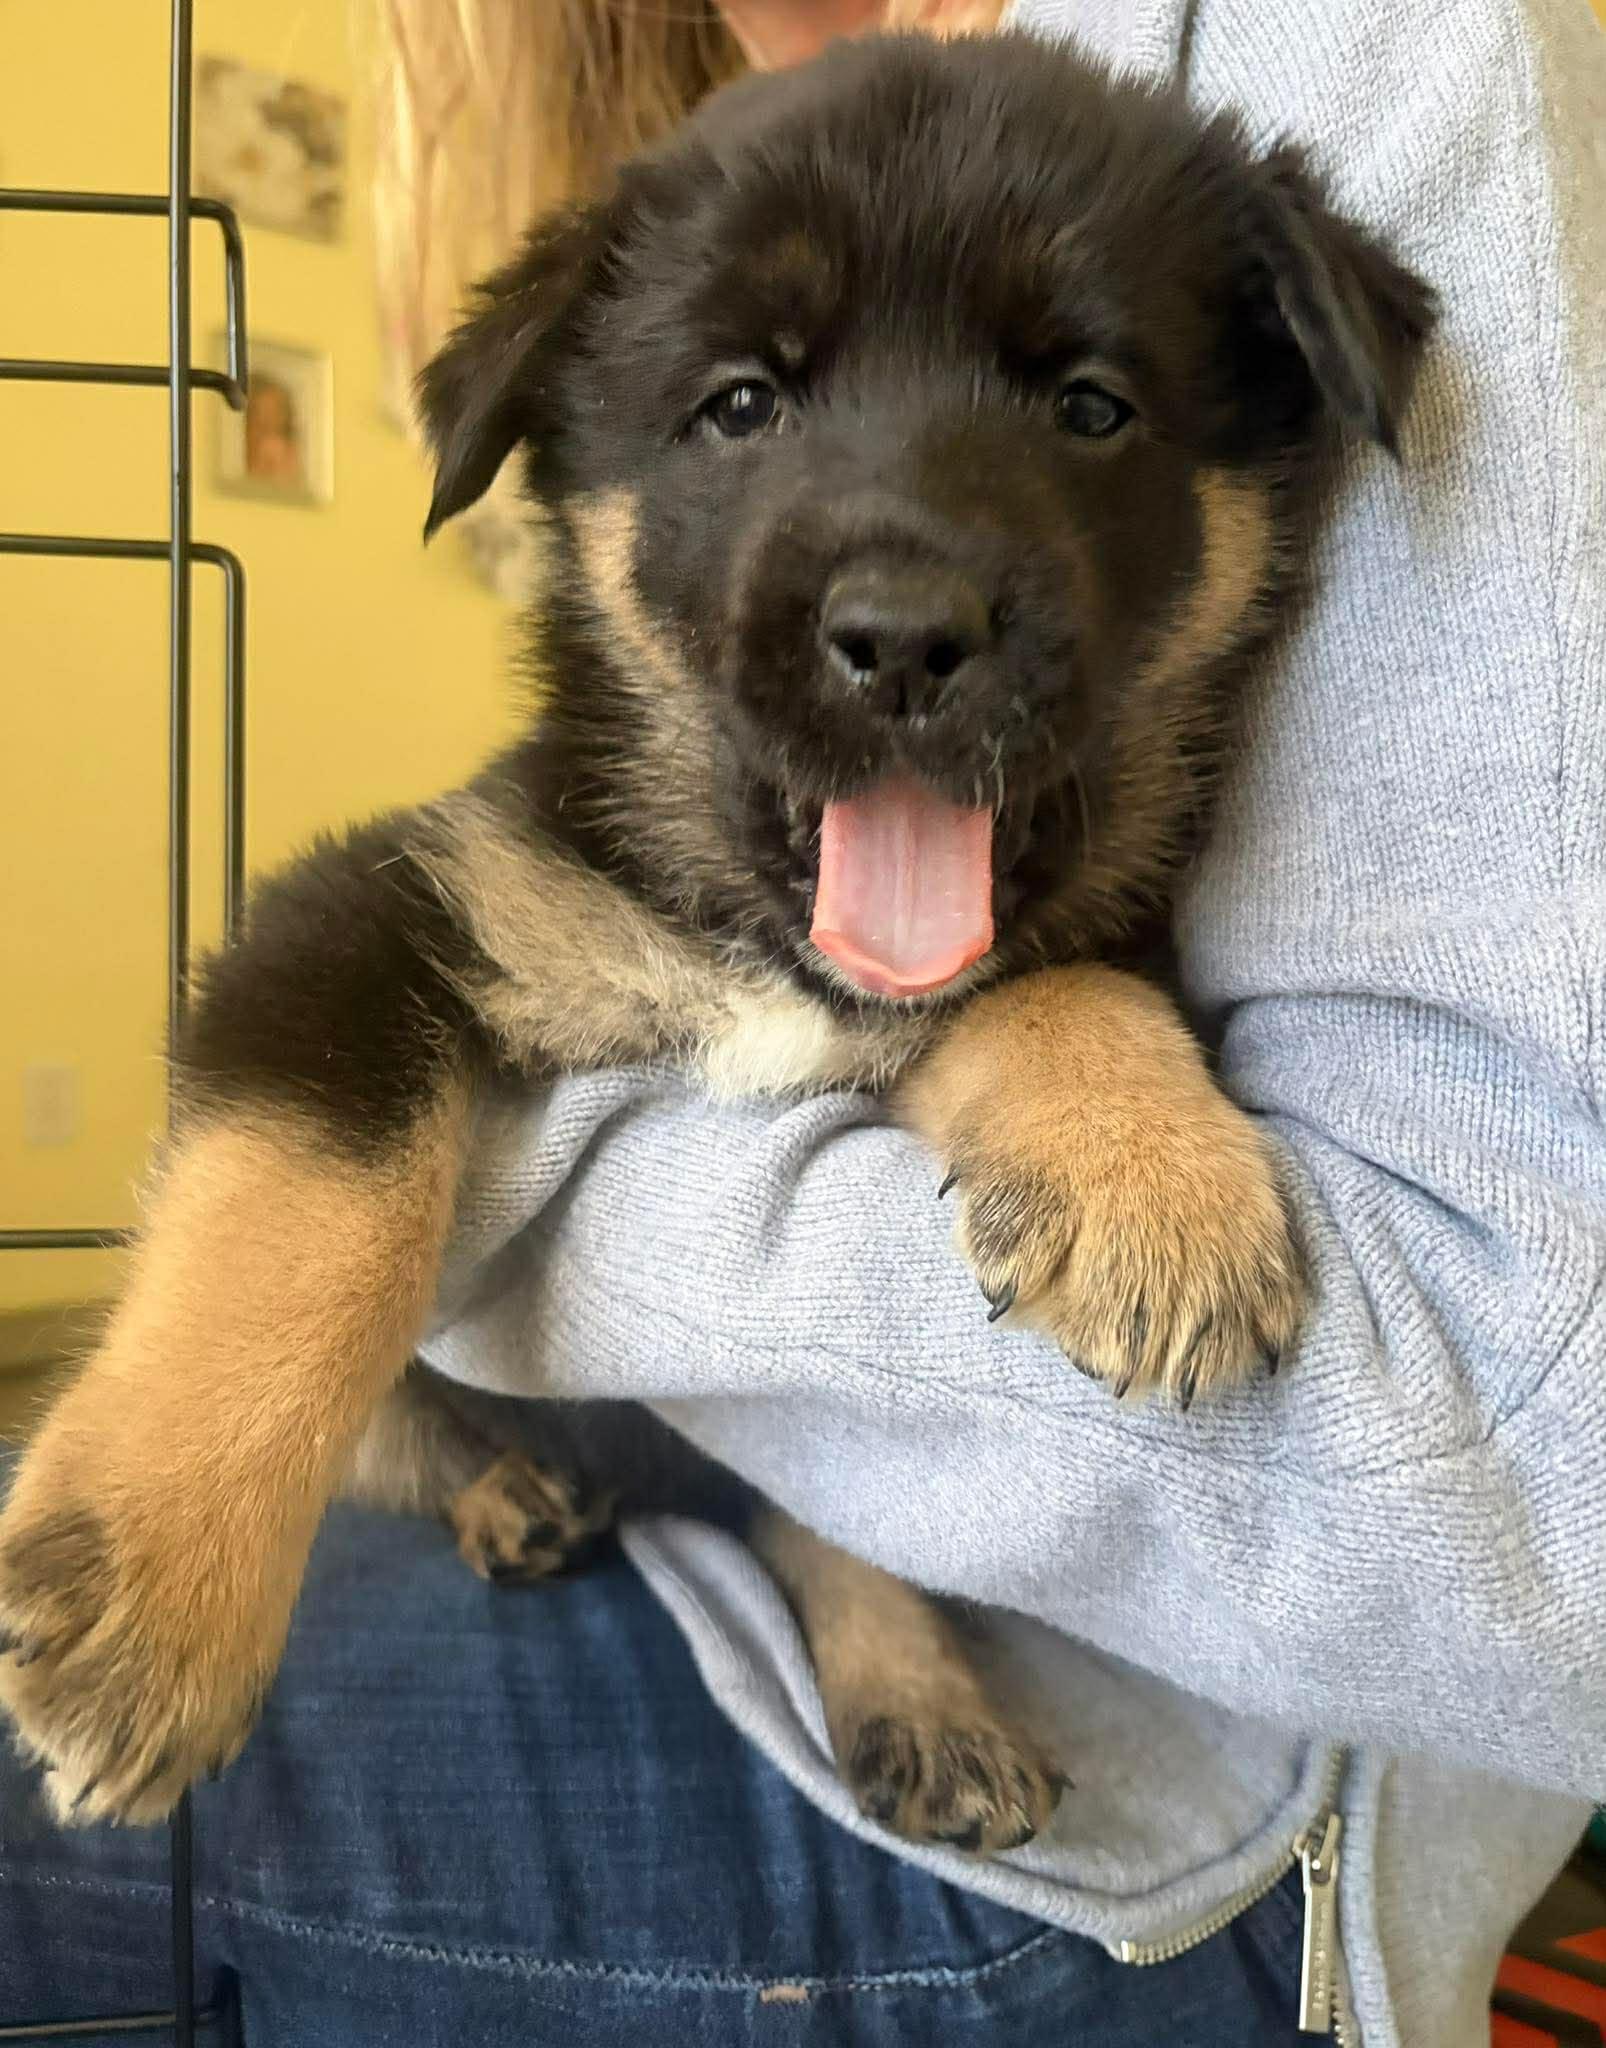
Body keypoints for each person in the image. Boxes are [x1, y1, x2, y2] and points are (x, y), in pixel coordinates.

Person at [4, 0, 1603, 2043]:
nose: (903, 586)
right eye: (745, 404)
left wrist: (1054, 1050)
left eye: (1088, 406)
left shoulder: (1376, 57)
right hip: (602, 1505)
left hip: (1177, 1865)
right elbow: (358, 979)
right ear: (572, 474)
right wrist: (211, 1436)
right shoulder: (575, 849)